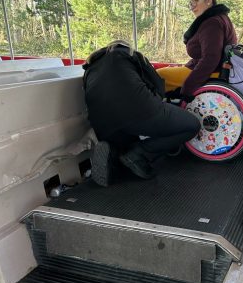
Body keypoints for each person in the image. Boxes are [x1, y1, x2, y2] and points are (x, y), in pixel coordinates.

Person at [82, 41, 201, 185]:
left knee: (127, 140)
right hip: (139, 110)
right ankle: (140, 152)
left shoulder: (90, 67)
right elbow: (158, 88)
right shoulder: (132, 54)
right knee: (192, 125)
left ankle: (113, 152)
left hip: (101, 122)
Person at [157, 0, 237, 100]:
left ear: (208, 1)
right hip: (210, 68)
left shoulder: (212, 23)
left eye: (196, 1)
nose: (192, 6)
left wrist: (187, 88)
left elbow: (210, 59)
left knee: (156, 75)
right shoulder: (218, 18)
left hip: (212, 72)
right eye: (191, 2)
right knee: (160, 70)